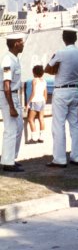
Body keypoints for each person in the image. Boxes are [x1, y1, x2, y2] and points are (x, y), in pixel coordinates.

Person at [44, 27, 78, 167]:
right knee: (75, 125)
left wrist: (55, 66)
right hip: (74, 90)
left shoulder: (61, 53)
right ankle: (77, 157)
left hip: (61, 92)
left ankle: (60, 159)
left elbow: (47, 69)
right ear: (75, 38)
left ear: (63, 38)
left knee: (58, 125)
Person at [1, 33, 26, 172]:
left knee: (19, 128)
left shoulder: (15, 59)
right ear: (16, 43)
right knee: (10, 130)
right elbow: (6, 85)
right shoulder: (7, 60)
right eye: (21, 41)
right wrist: (11, 106)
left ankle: (11, 158)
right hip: (8, 96)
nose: (23, 43)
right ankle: (7, 163)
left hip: (14, 96)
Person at [27, 65, 47, 144]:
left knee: (30, 119)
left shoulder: (34, 80)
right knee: (41, 119)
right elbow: (45, 93)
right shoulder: (44, 81)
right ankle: (41, 137)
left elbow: (33, 93)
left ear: (34, 72)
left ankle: (34, 138)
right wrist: (44, 101)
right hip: (42, 101)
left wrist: (28, 103)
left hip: (35, 101)